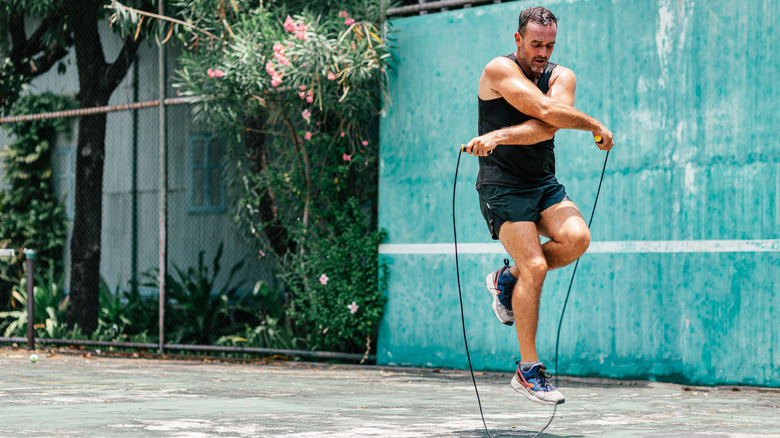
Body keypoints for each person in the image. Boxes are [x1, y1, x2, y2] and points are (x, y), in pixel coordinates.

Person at [463, 6, 614, 406]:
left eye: (549, 45)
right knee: (536, 266)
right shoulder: (499, 70)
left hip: (543, 183)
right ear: (518, 40)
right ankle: (528, 370)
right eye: (535, 44)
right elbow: (548, 112)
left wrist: (502, 135)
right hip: (502, 187)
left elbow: (549, 122)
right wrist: (594, 125)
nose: (543, 52)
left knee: (577, 239)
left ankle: (505, 279)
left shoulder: (562, 76)